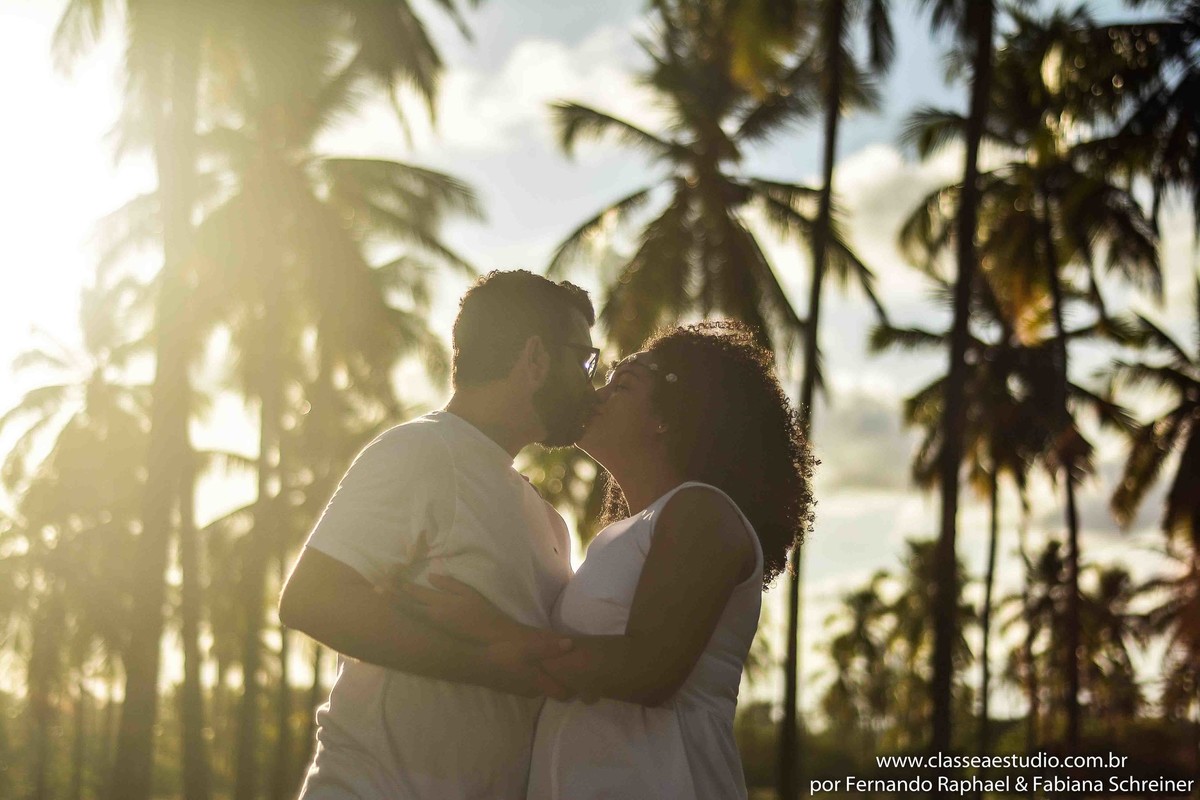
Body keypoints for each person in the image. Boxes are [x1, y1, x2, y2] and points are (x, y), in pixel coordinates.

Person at [404, 320, 816, 800]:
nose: (595, 394)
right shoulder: (620, 536)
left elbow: (650, 670)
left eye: (621, 384)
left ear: (669, 415)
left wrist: (490, 630)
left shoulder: (701, 510)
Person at [278, 269, 601, 799]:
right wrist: (485, 663)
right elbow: (312, 599)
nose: (591, 383)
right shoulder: (422, 451)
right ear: (536, 359)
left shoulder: (548, 521)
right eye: (584, 359)